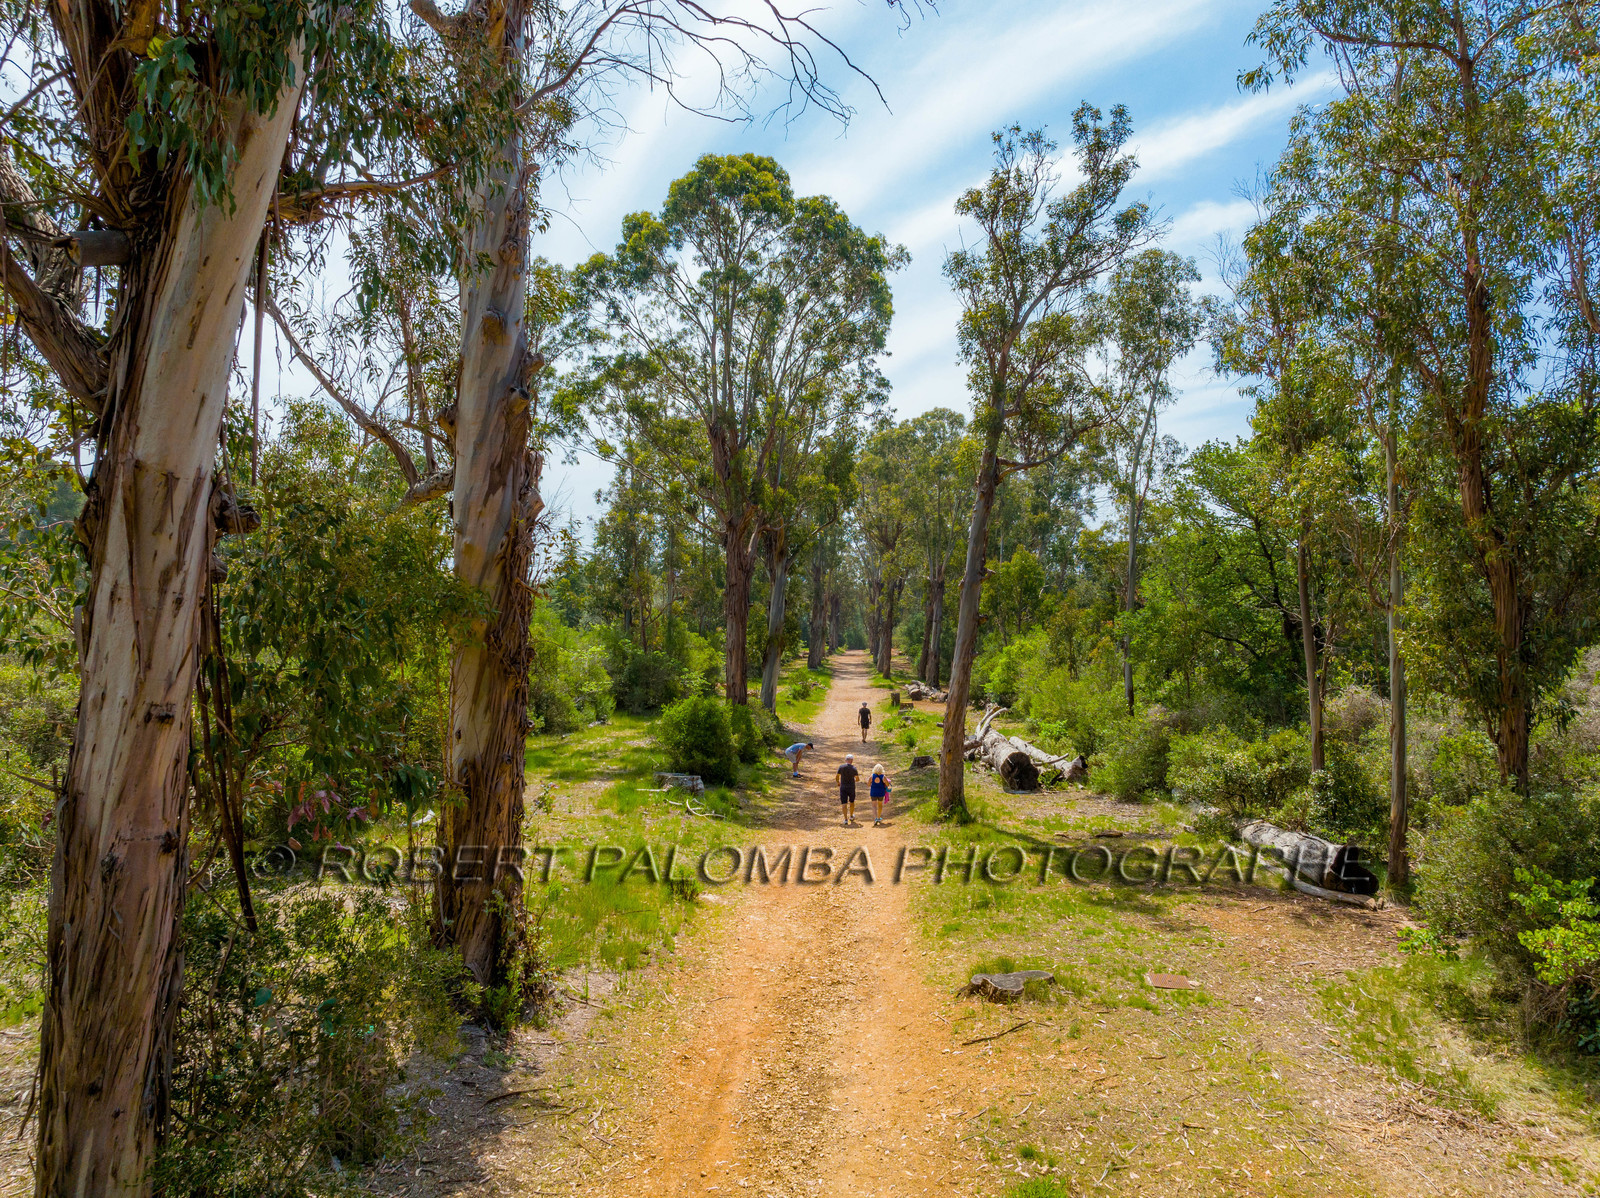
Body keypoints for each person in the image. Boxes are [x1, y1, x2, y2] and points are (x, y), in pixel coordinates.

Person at [836, 754, 860, 826]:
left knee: (844, 803)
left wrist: (838, 782)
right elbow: (857, 779)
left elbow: (837, 777)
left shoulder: (841, 767)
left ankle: (845, 819)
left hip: (843, 787)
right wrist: (854, 780)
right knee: (851, 802)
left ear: (846, 760)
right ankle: (851, 816)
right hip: (851, 787)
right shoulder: (854, 768)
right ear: (852, 760)